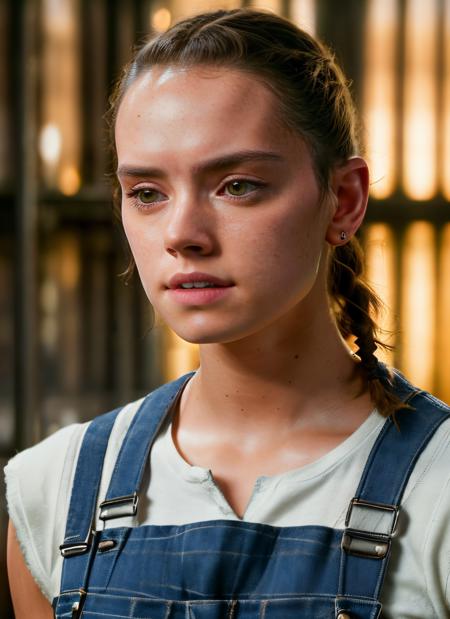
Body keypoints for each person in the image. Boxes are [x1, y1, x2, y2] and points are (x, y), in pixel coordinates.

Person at [5, 8, 450, 619]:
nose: (183, 234)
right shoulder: (53, 487)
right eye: (147, 193)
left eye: (237, 185)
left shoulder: (441, 488)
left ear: (343, 200)